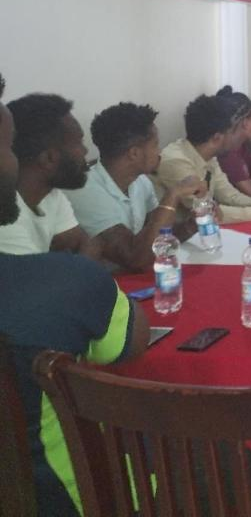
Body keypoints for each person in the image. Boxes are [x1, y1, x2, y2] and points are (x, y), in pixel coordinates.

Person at [0, 73, 149, 516]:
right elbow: (131, 343)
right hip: (71, 496)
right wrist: (76, 276)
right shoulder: (58, 283)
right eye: (6, 148)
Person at [65, 102, 202, 273]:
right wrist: (172, 196)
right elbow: (134, 257)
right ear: (134, 153)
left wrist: (192, 224)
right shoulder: (85, 189)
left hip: (132, 278)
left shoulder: (141, 181)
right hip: (103, 282)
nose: (159, 152)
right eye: (155, 145)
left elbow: (159, 236)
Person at [0, 93, 102, 259]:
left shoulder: (50, 195)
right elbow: (32, 275)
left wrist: (74, 268)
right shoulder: (4, 217)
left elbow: (89, 243)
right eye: (79, 142)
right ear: (49, 159)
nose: (85, 151)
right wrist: (78, 268)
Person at [156, 93, 251, 224]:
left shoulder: (209, 156)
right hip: (177, 234)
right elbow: (204, 211)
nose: (240, 135)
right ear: (217, 138)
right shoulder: (176, 161)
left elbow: (230, 196)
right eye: (235, 131)